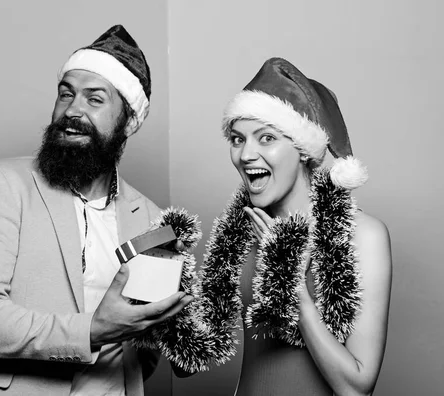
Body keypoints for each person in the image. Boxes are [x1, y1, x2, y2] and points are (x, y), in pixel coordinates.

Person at [0, 25, 193, 396]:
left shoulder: (152, 218)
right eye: (66, 94)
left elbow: (145, 344)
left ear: (128, 122)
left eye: (95, 99)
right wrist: (92, 331)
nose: (73, 110)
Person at [166, 58, 392, 395]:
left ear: (302, 149)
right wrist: (166, 283)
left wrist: (290, 283)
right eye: (238, 139)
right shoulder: (240, 235)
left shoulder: (364, 236)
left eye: (266, 138)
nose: (246, 155)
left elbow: (356, 388)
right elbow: (186, 364)